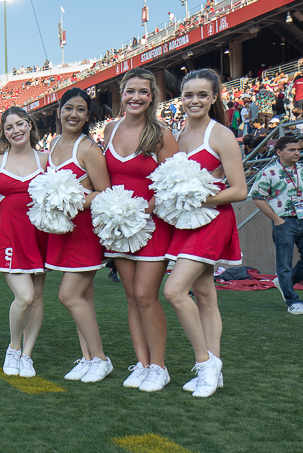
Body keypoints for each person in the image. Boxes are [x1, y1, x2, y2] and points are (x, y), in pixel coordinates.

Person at [162, 69, 247, 398]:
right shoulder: (178, 136)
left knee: (174, 291)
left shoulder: (221, 134)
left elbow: (239, 189)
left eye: (201, 95)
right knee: (206, 296)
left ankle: (206, 365)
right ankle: (215, 368)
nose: (194, 101)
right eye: (188, 95)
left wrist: (195, 197)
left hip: (212, 220)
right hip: (185, 221)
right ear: (180, 99)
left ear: (213, 98)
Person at [102, 68, 178, 392]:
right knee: (131, 297)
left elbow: (175, 181)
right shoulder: (109, 129)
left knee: (147, 295)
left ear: (152, 97)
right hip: (118, 225)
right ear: (121, 93)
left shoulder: (160, 133)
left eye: (143, 92)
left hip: (152, 225)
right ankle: (142, 363)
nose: (135, 97)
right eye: (130, 90)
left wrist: (147, 205)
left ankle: (159, 366)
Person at [45, 88, 113, 383]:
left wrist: (69, 202)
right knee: (84, 297)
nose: (74, 114)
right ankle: (87, 358)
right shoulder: (54, 143)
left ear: (88, 115)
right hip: (63, 232)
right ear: (59, 111)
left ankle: (100, 358)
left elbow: (104, 191)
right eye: (69, 108)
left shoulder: (88, 149)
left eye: (81, 110)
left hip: (84, 231)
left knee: (68, 295)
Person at [0, 106, 48, 378]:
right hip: (8, 231)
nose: (15, 130)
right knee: (24, 296)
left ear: (30, 125)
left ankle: (27, 355)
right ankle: (13, 348)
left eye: (20, 124)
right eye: (9, 127)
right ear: (3, 132)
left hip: (39, 232)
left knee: (37, 298)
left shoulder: (46, 159)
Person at [250, 136, 303, 315]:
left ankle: (283, 283)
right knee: (284, 263)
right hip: (283, 221)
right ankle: (292, 301)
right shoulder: (269, 172)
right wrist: (276, 219)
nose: (297, 152)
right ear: (279, 152)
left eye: (298, 149)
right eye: (292, 150)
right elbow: (257, 197)